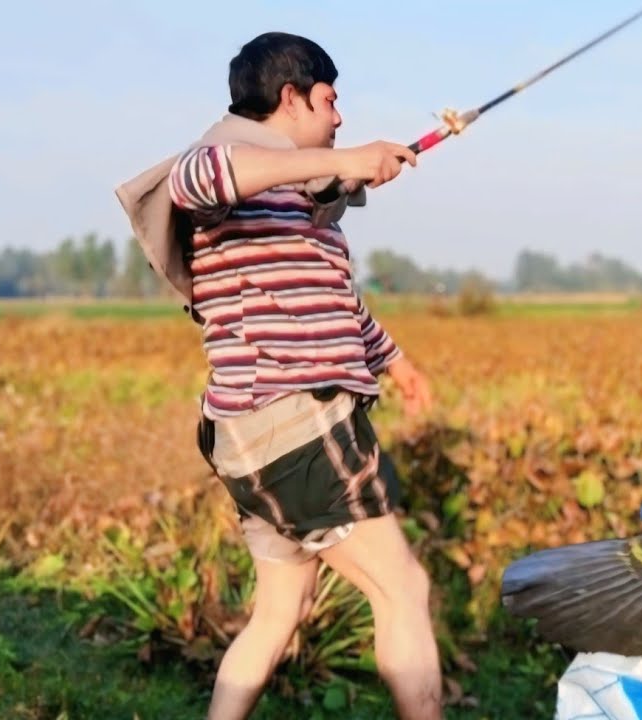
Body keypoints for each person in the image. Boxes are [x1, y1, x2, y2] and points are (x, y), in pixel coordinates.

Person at [127, 31, 443, 720]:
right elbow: (196, 176)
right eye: (330, 101)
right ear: (292, 96)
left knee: (281, 610)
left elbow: (332, 300)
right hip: (293, 421)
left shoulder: (296, 203)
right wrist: (346, 159)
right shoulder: (221, 167)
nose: (339, 117)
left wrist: (397, 362)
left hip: (254, 433)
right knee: (404, 590)